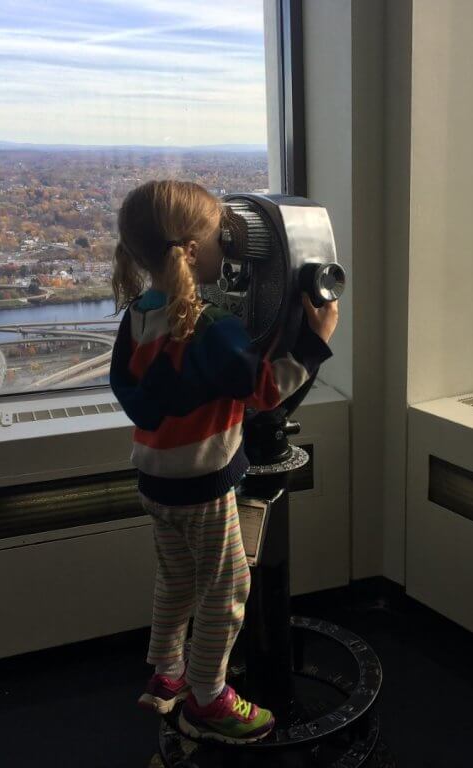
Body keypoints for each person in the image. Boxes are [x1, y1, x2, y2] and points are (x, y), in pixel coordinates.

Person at [109, 180, 338, 744]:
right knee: (228, 588)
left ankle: (166, 672)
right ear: (190, 252)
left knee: (178, 577)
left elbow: (130, 387)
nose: (229, 251)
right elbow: (261, 391)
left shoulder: (136, 315)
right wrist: (314, 343)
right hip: (203, 486)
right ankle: (208, 698)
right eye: (220, 239)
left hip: (155, 479)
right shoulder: (210, 328)